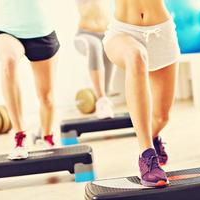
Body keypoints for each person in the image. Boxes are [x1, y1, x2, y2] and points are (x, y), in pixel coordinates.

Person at [103, 0, 180, 187]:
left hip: (162, 32)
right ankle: (146, 155)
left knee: (162, 118)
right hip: (123, 32)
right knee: (136, 55)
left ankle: (153, 137)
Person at [0, 0, 60, 159]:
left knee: (46, 97)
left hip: (41, 32)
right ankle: (20, 136)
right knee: (8, 62)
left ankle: (47, 135)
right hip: (6, 30)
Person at [75, 0, 115, 119]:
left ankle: (104, 100)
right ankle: (102, 100)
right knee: (95, 45)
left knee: (111, 45)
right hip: (85, 35)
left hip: (107, 33)